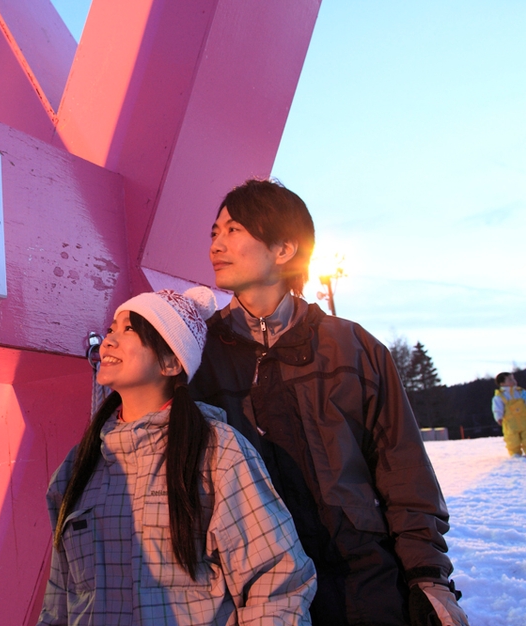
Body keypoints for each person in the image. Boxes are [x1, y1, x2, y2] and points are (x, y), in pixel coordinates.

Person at [190, 179, 468, 626]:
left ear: (284, 249)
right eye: (214, 232)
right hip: (254, 595)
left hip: (365, 584)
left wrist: (428, 578)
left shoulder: (353, 346)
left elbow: (404, 472)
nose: (216, 245)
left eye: (233, 230)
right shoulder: (199, 357)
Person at [38, 287, 316, 625]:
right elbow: (59, 600)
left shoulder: (218, 452)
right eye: (111, 329)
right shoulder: (79, 464)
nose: (109, 340)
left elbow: (276, 583)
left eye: (129, 329)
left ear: (171, 362)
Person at [492, 372, 526, 457]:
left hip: (524, 420)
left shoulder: (521, 392)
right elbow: (497, 408)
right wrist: (498, 417)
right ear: (502, 383)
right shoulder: (500, 396)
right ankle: (515, 453)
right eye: (510, 379)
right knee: (512, 439)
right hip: (510, 424)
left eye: (513, 378)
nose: (513, 381)